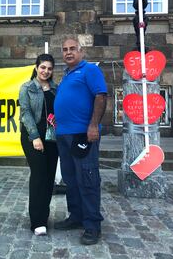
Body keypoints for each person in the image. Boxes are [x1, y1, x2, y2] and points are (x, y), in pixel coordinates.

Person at [53, 38, 107, 245]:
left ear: (81, 51)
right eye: (65, 50)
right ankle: (76, 216)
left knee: (88, 178)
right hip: (63, 135)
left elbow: (101, 96)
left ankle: (93, 225)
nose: (68, 52)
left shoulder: (89, 70)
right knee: (70, 178)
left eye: (72, 49)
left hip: (82, 135)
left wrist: (93, 125)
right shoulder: (66, 75)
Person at [19, 53, 58, 236]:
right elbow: (25, 113)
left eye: (49, 68)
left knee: (49, 177)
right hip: (32, 136)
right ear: (36, 67)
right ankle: (37, 221)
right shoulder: (27, 87)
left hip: (52, 137)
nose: (46, 71)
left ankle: (45, 215)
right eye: (43, 67)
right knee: (39, 175)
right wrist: (35, 137)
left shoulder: (55, 89)